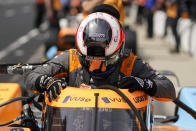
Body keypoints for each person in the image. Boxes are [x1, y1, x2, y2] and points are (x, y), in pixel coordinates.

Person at [24, 6, 176, 102]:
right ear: (80, 50)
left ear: (119, 50)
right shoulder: (71, 58)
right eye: (89, 60)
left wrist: (144, 83)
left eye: (104, 60)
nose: (95, 65)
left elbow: (169, 89)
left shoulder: (129, 62)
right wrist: (48, 82)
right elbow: (31, 77)